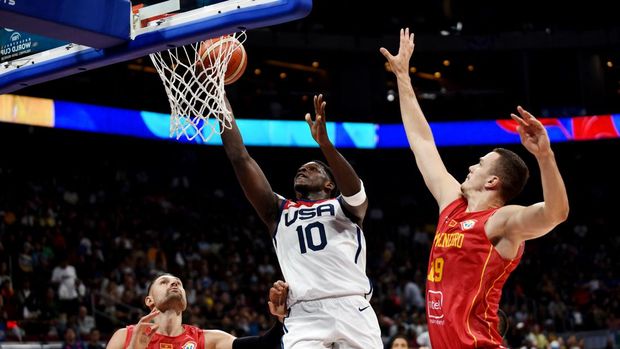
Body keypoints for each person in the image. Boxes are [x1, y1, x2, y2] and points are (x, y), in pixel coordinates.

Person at [380, 28, 569, 349]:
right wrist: (403, 77)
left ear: (493, 181)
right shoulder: (451, 203)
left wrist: (545, 156)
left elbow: (556, 214)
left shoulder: (501, 221)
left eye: (480, 164)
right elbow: (423, 142)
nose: (470, 167)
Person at [220, 94, 382, 348]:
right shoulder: (278, 211)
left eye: (313, 168)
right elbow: (241, 158)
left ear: (330, 184)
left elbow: (355, 190)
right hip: (305, 314)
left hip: (352, 306)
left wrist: (325, 146)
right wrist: (220, 99)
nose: (303, 170)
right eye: (300, 169)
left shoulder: (345, 207)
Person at [106, 274, 288, 349]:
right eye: (164, 282)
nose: (174, 283)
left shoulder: (206, 340)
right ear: (149, 300)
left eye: (178, 282)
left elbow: (263, 345)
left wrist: (280, 321)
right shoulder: (125, 336)